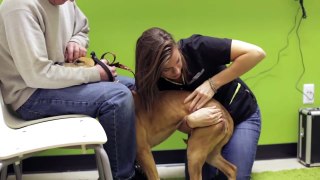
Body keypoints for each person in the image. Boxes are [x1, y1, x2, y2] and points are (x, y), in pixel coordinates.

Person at [0, 0, 138, 179]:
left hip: (54, 82)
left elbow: (82, 27)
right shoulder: (19, 7)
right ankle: (123, 176)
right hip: (29, 96)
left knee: (132, 85)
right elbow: (37, 75)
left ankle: (131, 164)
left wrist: (76, 41)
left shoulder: (66, 2)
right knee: (118, 97)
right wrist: (95, 74)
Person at [135, 27, 266, 180]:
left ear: (178, 48)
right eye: (166, 70)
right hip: (203, 127)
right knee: (197, 171)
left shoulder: (196, 47)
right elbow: (167, 119)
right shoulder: (150, 85)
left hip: (241, 114)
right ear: (151, 70)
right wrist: (189, 122)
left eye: (178, 61)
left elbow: (257, 53)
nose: (177, 71)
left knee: (236, 177)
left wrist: (213, 84)